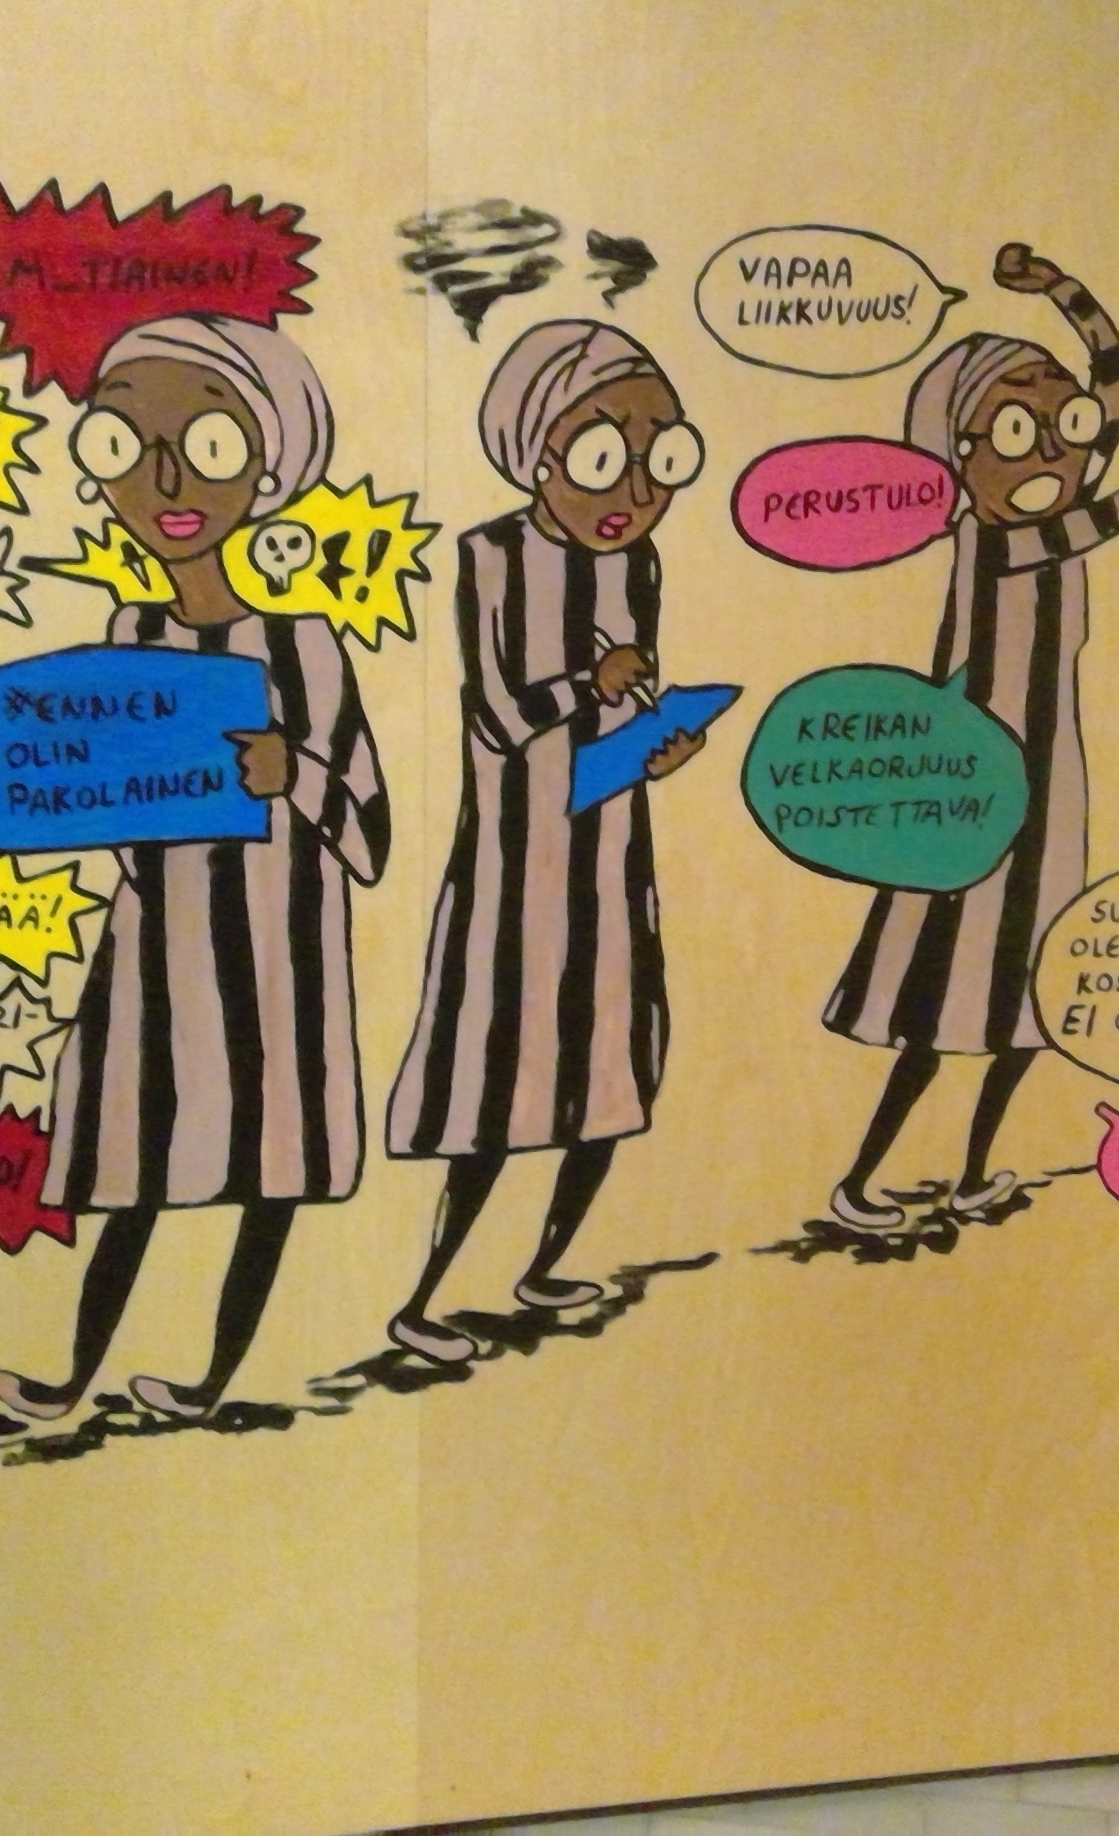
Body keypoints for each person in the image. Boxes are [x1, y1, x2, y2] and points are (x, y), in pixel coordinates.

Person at [0, 314, 388, 1422]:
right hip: (155, 954)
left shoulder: (304, 644)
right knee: (133, 1163)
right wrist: (5, 770)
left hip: (281, 963)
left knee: (270, 1166)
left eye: (208, 446)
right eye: (124, 445)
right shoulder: (130, 629)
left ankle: (211, 1379)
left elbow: (369, 834)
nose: (164, 481)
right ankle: (72, 1376)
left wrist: (293, 772)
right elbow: (114, 811)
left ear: (267, 466)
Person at [819, 244, 1119, 1232]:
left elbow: (1114, 384)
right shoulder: (1002, 534)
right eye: (1014, 433)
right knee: (937, 1004)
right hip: (978, 785)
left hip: (1051, 776)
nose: (1051, 454)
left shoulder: (1052, 485)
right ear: (960, 454)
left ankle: (970, 1173)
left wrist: (1060, 291)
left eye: (1063, 429)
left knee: (1034, 996)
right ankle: (862, 1180)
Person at [378, 321, 709, 1363]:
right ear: (536, 452)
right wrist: (586, 685)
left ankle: (542, 1264)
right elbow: (495, 717)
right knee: (494, 1084)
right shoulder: (489, 557)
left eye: (663, 459)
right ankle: (425, 1297)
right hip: (515, 869)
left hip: (611, 855)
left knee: (609, 1071)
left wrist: (658, 744)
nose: (637, 489)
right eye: (606, 456)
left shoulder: (638, 562)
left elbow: (629, 700)